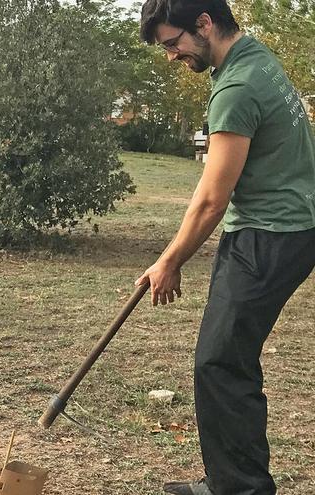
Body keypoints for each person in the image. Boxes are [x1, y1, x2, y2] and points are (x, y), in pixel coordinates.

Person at [138, 0, 315, 494]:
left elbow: (212, 199)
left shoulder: (236, 88)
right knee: (227, 359)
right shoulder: (256, 57)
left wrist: (169, 261)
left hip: (270, 235)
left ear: (205, 23)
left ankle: (240, 489)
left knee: (220, 362)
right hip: (280, 229)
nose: (171, 56)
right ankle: (230, 482)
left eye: (174, 44)